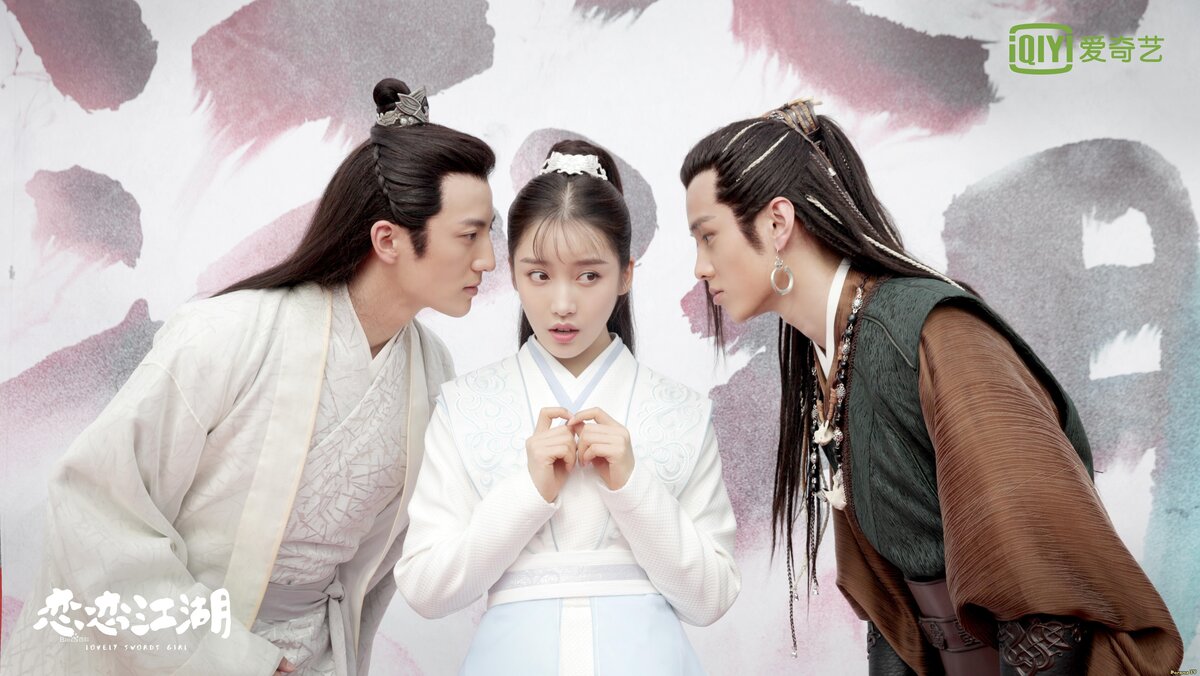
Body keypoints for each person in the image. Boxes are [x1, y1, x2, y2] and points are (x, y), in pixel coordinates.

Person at [0, 78, 496, 675]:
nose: (488, 259)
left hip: (317, 654)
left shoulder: (432, 370)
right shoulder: (228, 334)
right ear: (387, 239)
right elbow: (95, 505)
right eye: (470, 235)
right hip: (189, 649)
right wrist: (235, 658)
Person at [678, 98, 1183, 675]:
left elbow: (1043, 569)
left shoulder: (935, 333)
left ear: (776, 223)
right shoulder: (835, 353)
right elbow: (893, 605)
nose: (699, 267)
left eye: (708, 236)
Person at [396, 140, 740, 675]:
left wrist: (633, 486)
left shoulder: (681, 413)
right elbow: (424, 587)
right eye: (539, 275)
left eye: (588, 275)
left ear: (626, 274)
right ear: (513, 273)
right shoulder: (466, 407)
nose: (562, 304)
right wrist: (527, 493)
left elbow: (711, 599)